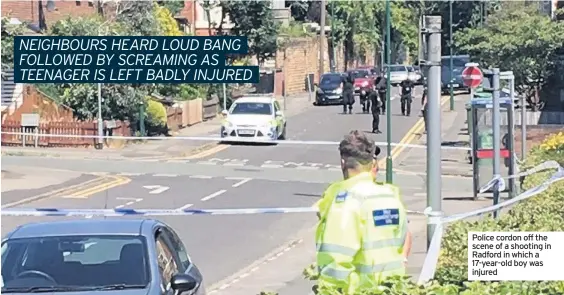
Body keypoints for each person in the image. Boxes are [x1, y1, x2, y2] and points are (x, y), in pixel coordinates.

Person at [315, 131, 412, 294]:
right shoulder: (390, 196)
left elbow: (337, 258)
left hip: (361, 290)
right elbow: (404, 239)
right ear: (373, 163)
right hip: (394, 288)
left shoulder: (346, 200)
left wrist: (328, 290)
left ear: (343, 162)